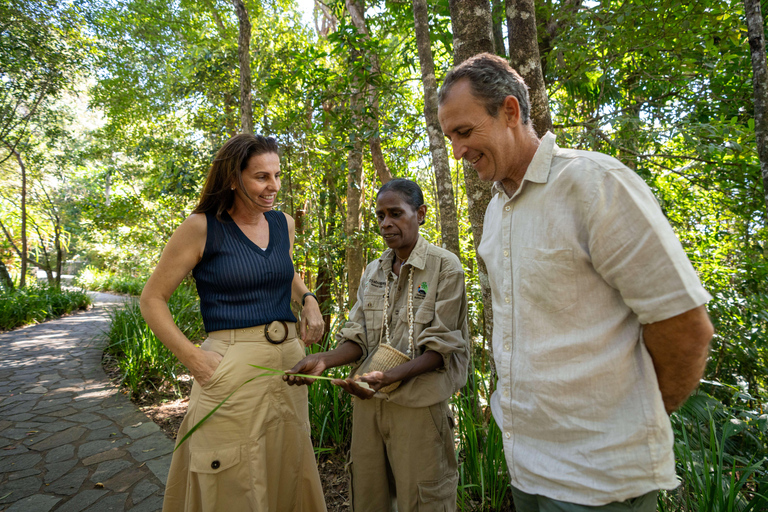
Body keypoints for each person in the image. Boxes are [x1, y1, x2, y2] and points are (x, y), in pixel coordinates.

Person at [437, 53, 714, 511]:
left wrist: (632, 423)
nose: (458, 151)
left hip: (601, 481)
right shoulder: (496, 211)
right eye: (450, 138)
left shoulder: (595, 184)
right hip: (527, 470)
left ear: (510, 111)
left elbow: (684, 325)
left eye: (464, 132)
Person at [140, 133, 327, 512]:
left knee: (287, 464)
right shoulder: (201, 227)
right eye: (261, 177)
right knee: (231, 471)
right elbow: (152, 299)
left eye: (277, 175)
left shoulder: (283, 224)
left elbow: (280, 269)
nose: (274, 186)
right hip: (230, 362)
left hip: (289, 362)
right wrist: (194, 359)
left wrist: (307, 298)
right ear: (232, 178)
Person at [284, 178, 469, 512]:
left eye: (396, 213)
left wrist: (388, 378)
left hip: (418, 406)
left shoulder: (445, 267)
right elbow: (359, 339)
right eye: (380, 216)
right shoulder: (374, 271)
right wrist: (325, 360)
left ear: (420, 214)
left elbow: (440, 350)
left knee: (423, 497)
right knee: (370, 494)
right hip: (369, 403)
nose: (386, 224)